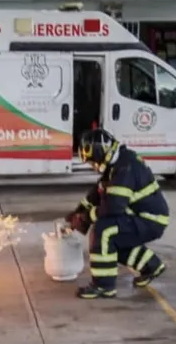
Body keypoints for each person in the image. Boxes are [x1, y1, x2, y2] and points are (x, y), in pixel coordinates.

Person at [65, 128, 169, 300]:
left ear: (100, 153)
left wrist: (86, 218)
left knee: (103, 231)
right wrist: (78, 211)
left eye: (92, 162)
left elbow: (114, 206)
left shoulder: (125, 167)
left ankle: (103, 286)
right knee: (112, 243)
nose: (93, 166)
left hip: (150, 221)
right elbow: (98, 192)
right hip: (142, 217)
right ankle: (151, 266)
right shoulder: (117, 163)